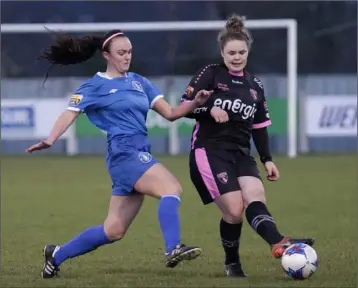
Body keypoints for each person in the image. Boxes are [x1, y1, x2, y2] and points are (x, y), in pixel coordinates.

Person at [26, 29, 212, 279]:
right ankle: (173, 248)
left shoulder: (139, 81)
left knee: (113, 230)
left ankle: (55, 255)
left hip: (137, 152)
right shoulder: (94, 86)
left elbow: (170, 113)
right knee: (171, 188)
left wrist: (195, 103)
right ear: (106, 55)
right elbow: (70, 113)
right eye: (121, 53)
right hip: (123, 153)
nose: (127, 57)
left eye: (130, 52)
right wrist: (50, 139)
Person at [180, 14, 315, 278]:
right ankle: (233, 262)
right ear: (222, 52)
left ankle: (278, 241)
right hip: (209, 151)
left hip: (241, 152)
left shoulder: (255, 85)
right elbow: (183, 108)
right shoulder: (210, 73)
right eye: (231, 52)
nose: (237, 56)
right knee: (234, 210)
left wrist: (267, 159)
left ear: (248, 52)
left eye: (241, 52)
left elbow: (260, 126)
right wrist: (208, 108)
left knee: (255, 196)